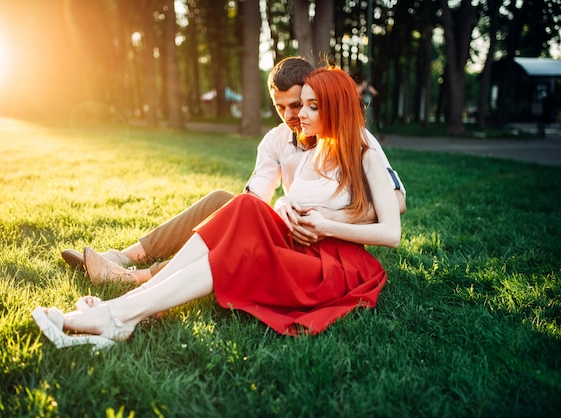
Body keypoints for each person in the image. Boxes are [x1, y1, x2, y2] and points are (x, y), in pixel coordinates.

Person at [32, 66, 401, 349]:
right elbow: (286, 197)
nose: (297, 116)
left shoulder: (363, 150)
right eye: (293, 105)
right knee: (241, 205)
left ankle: (119, 313)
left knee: (238, 249)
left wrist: (327, 225)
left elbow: (391, 230)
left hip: (335, 264)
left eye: (309, 106)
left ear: (334, 107)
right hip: (300, 243)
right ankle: (133, 302)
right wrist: (286, 204)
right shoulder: (308, 148)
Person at [62, 57, 406, 285]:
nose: (291, 116)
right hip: (288, 226)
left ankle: (139, 277)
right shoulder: (276, 141)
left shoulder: (353, 140)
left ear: (317, 99)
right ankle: (127, 256)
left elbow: (397, 201)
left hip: (325, 242)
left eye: (299, 105)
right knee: (223, 203)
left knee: (236, 224)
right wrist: (281, 211)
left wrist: (331, 221)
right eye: (280, 106)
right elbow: (254, 199)